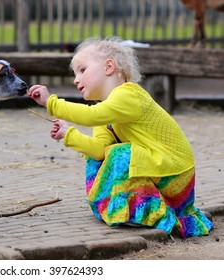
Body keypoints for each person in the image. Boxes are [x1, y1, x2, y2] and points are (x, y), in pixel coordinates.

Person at [27, 37, 213, 238]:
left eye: (82, 70)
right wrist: (68, 134)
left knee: (120, 153)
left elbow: (91, 115)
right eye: (74, 74)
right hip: (158, 170)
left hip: (175, 173)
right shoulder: (106, 113)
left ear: (109, 67)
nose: (75, 79)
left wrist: (51, 103)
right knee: (103, 157)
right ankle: (126, 209)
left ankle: (139, 211)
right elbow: (99, 150)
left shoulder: (129, 94)